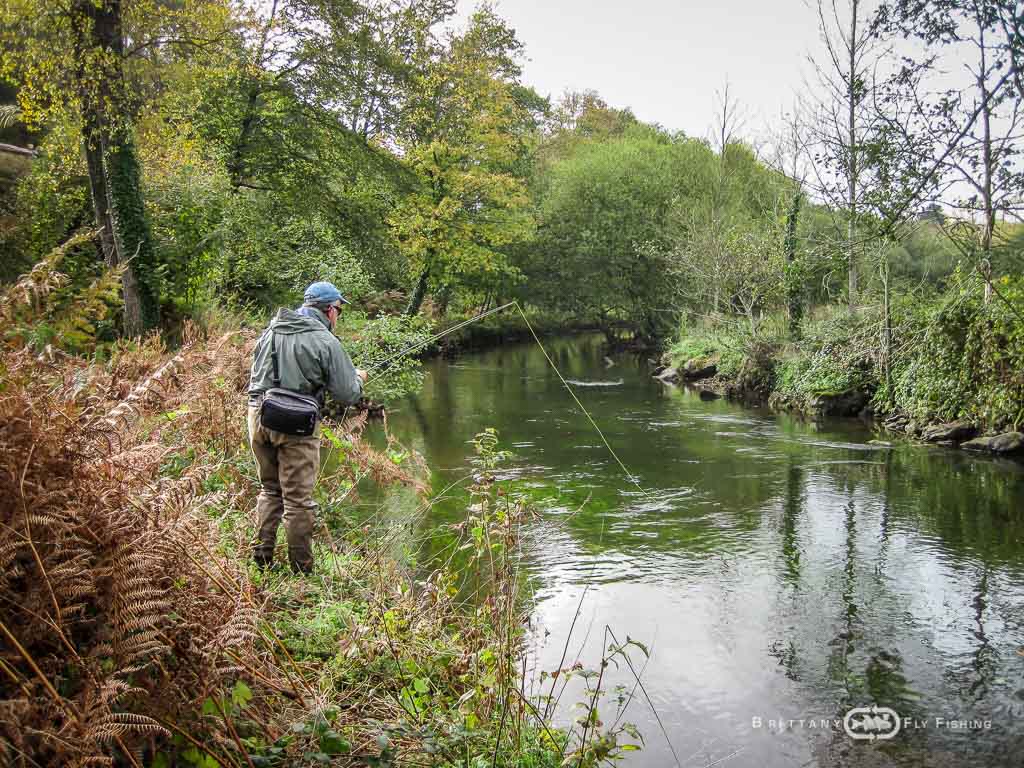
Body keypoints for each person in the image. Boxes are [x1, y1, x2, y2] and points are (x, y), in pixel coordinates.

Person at [247, 281, 368, 573]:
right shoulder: (325, 341)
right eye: (339, 310)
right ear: (328, 310)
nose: (338, 317)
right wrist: (360, 378)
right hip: (296, 425)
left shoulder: (272, 329)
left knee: (270, 490)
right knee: (298, 501)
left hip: (257, 416)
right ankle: (302, 571)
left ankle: (261, 561)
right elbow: (348, 394)